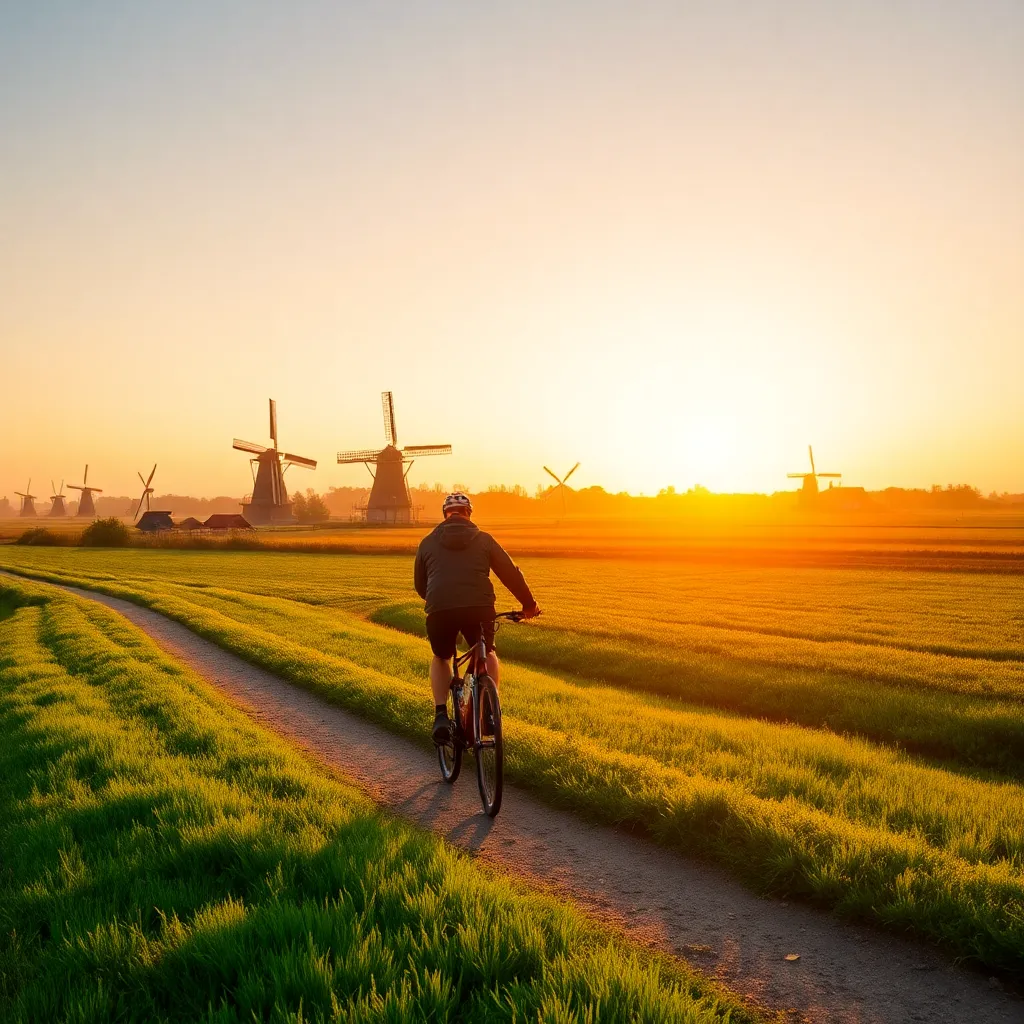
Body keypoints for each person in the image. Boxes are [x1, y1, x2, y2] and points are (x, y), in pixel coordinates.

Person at [414, 492, 539, 745]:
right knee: (488, 652)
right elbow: (510, 574)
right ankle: (490, 712)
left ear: (445, 515)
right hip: (479, 608)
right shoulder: (484, 539)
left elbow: (420, 585)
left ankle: (440, 716)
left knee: (442, 657)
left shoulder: (427, 542)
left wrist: (439, 601)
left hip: (440, 609)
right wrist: (529, 605)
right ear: (469, 513)